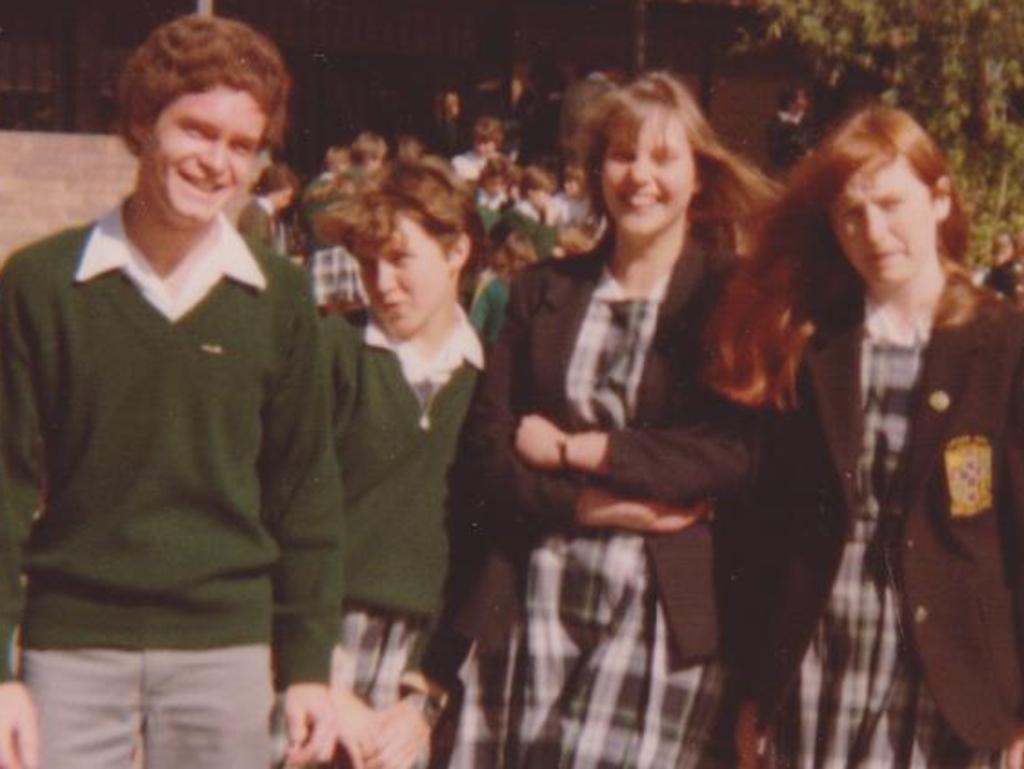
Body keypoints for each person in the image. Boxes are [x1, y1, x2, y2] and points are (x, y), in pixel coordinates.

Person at [0, 15, 342, 769]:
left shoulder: (281, 297)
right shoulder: (39, 283)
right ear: (141, 123)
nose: (216, 161)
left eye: (241, 145)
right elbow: (4, 487)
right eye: (196, 130)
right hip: (70, 651)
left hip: (226, 653)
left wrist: (310, 665)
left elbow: (305, 494)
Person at [436, 70, 775, 768]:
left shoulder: (728, 296)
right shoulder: (540, 292)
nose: (639, 177)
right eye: (621, 156)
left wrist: (581, 450)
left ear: (696, 177)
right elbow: (490, 451)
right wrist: (597, 506)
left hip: (661, 607)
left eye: (662, 157)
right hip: (535, 590)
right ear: (597, 172)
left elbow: (731, 451)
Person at [708, 105, 1024, 768]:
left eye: (891, 204)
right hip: (822, 661)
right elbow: (769, 530)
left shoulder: (1003, 343)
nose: (874, 232)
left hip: (953, 685)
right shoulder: (816, 344)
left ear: (939, 201)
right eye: (851, 213)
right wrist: (755, 690)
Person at [316, 158, 485, 769]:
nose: (380, 282)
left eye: (399, 258)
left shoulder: (490, 382)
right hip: (323, 634)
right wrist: (320, 679)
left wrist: (425, 693)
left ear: (456, 251)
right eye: (366, 263)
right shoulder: (333, 353)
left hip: (427, 655)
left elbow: (481, 547)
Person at [237, 161, 302, 256]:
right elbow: (258, 256)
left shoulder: (264, 212)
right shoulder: (256, 217)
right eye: (286, 197)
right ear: (275, 192)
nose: (287, 203)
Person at [765, 85, 814, 174]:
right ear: (790, 102)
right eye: (801, 97)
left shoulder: (807, 123)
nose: (805, 101)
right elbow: (775, 151)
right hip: (783, 171)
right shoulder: (775, 124)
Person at [452, 116, 504, 183]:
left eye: (485, 143)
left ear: (496, 143)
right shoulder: (460, 162)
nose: (480, 147)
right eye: (478, 142)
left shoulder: (502, 164)